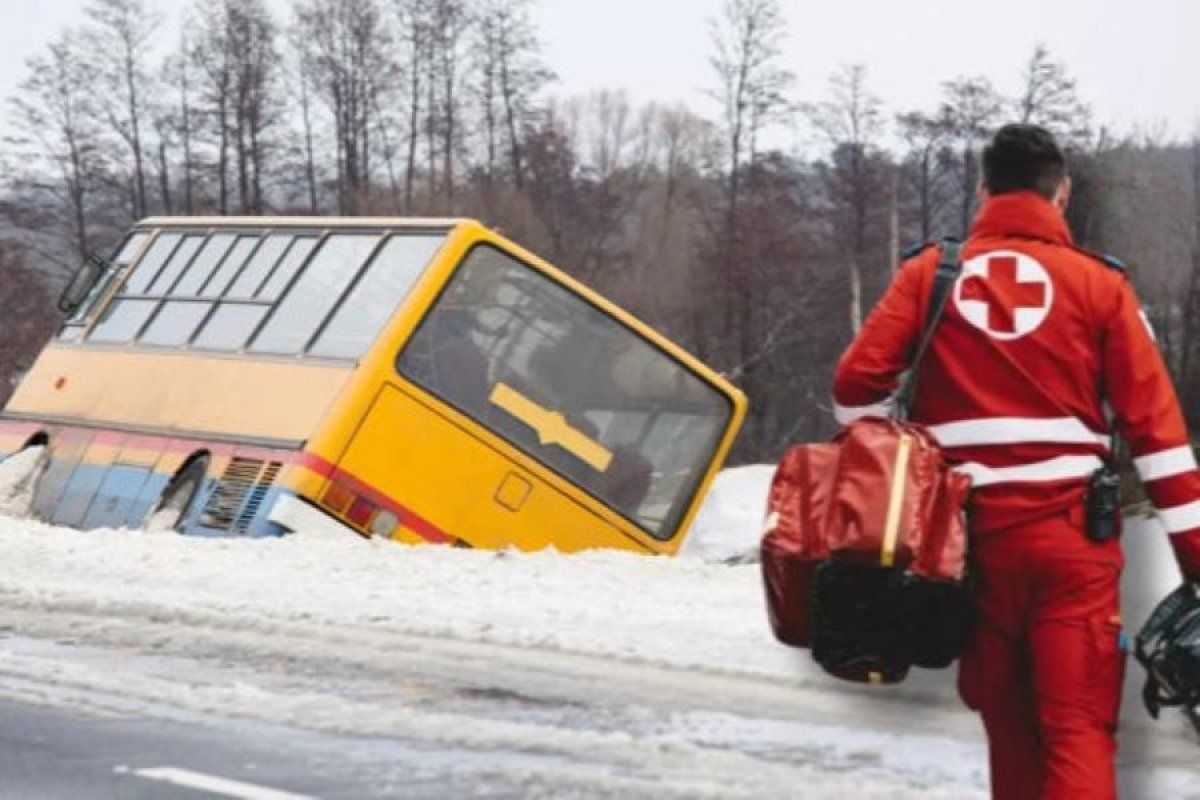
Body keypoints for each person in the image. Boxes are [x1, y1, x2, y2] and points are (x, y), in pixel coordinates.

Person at [831, 123, 1200, 799]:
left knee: (1009, 723)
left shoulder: (928, 275)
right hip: (1072, 546)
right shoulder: (1101, 287)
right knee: (1077, 726)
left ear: (982, 192)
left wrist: (893, 461)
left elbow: (855, 385)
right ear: (1060, 194)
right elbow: (1160, 438)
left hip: (972, 548)